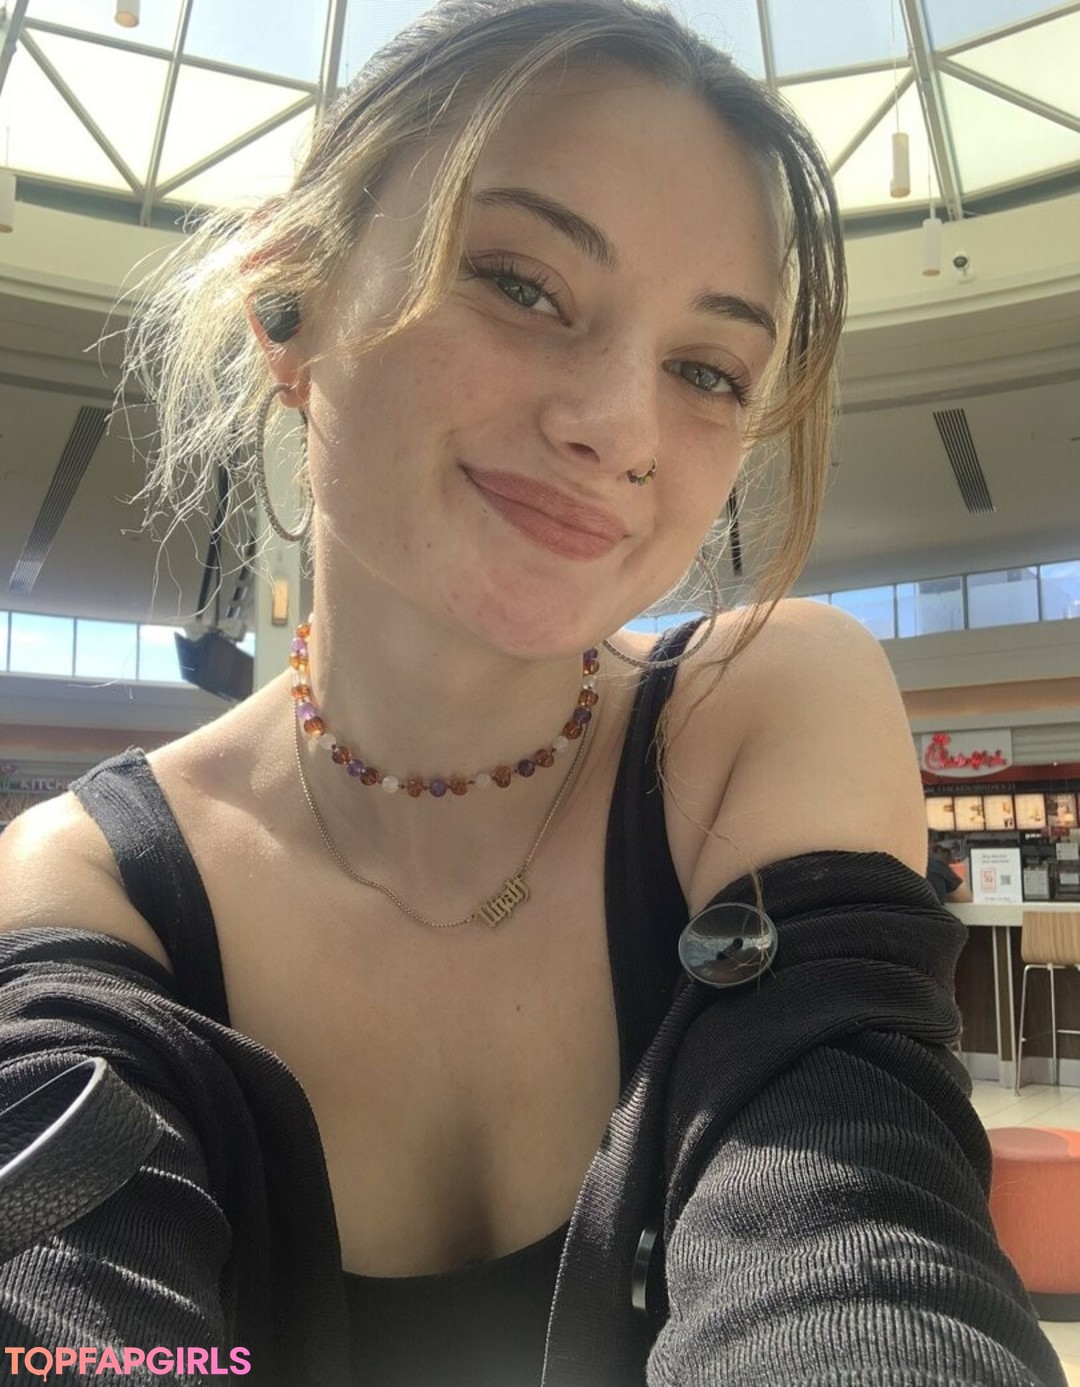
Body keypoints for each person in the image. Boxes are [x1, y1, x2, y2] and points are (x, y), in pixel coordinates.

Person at [0, 1, 1065, 1383]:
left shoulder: (758, 710)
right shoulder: (88, 886)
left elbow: (856, 1232)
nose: (617, 426)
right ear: (289, 307)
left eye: (706, 370)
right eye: (521, 284)